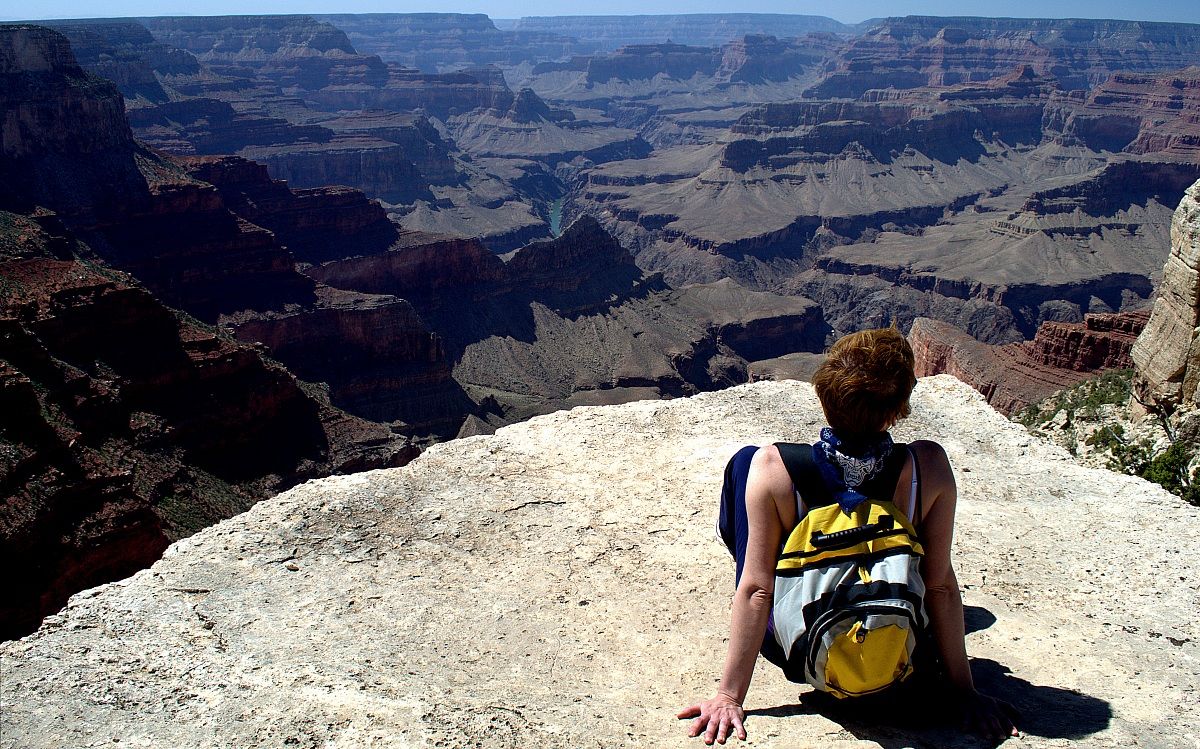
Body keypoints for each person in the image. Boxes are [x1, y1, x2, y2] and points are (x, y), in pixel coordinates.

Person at [677, 327, 1018, 745]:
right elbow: (941, 586)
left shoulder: (773, 467)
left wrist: (729, 695)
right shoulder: (929, 467)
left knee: (741, 464)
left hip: (803, 655)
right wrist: (965, 692)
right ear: (899, 407)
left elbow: (756, 592)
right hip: (903, 656)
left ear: (825, 395)